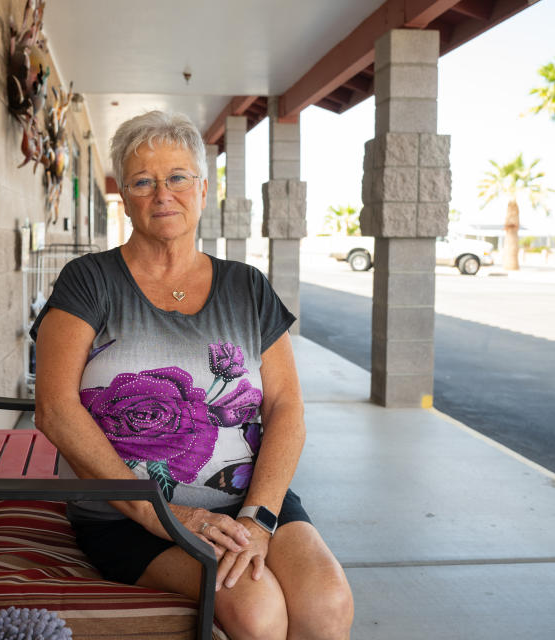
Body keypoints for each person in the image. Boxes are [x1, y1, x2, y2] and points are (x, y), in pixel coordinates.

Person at [31, 110, 353, 639]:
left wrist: (258, 518)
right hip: (129, 515)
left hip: (249, 499)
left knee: (328, 602)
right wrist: (162, 515)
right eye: (143, 181)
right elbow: (56, 410)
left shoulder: (247, 287)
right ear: (124, 196)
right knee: (257, 611)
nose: (163, 194)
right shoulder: (89, 281)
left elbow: (285, 407)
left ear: (204, 188)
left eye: (178, 177)